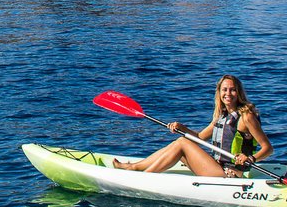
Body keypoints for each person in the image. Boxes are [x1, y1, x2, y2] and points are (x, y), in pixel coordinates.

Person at [114, 75, 273, 177]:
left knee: (183, 143)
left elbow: (267, 148)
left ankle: (144, 177)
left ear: (238, 93)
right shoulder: (222, 116)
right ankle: (135, 167)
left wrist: (250, 158)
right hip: (217, 167)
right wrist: (182, 128)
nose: (228, 94)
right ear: (219, 93)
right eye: (224, 90)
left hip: (231, 173)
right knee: (181, 141)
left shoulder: (246, 116)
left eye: (232, 90)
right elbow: (199, 138)